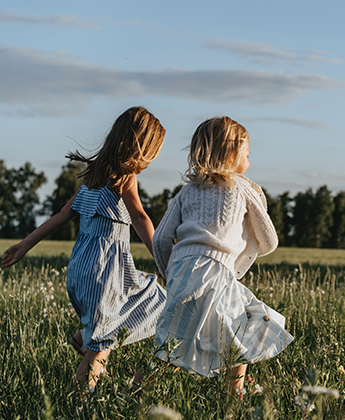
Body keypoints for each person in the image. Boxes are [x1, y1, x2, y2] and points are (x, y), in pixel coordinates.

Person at [1, 106, 167, 392]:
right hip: (105, 272)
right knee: (104, 343)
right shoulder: (123, 177)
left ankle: (84, 337)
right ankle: (81, 401)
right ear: (142, 147)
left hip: (83, 268)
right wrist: (164, 261)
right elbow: (139, 217)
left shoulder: (93, 176)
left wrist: (24, 245)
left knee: (148, 297)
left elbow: (62, 215)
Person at [152, 116, 293, 395]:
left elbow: (159, 239)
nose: (249, 160)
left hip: (183, 273)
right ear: (231, 153)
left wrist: (170, 274)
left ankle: (137, 396)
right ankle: (233, 396)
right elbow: (270, 240)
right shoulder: (242, 187)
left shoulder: (186, 191)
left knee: (173, 344)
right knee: (246, 327)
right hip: (216, 273)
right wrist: (243, 249)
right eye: (247, 154)